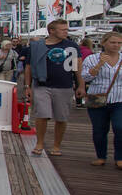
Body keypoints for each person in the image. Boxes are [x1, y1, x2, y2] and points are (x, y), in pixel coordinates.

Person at [24, 18, 81, 156]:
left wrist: (81, 85)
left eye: (66, 29)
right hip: (42, 85)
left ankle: (56, 145)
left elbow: (77, 66)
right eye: (63, 30)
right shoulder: (37, 46)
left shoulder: (71, 46)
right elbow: (29, 67)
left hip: (64, 85)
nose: (66, 32)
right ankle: (40, 143)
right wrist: (27, 86)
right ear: (51, 31)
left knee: (61, 118)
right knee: (42, 114)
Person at [81, 31, 122, 168]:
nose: (116, 45)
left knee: (120, 127)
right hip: (97, 98)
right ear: (104, 43)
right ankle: (101, 156)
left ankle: (119, 158)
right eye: (113, 42)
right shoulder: (92, 59)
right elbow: (86, 77)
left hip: (119, 99)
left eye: (119, 43)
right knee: (99, 129)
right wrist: (98, 65)